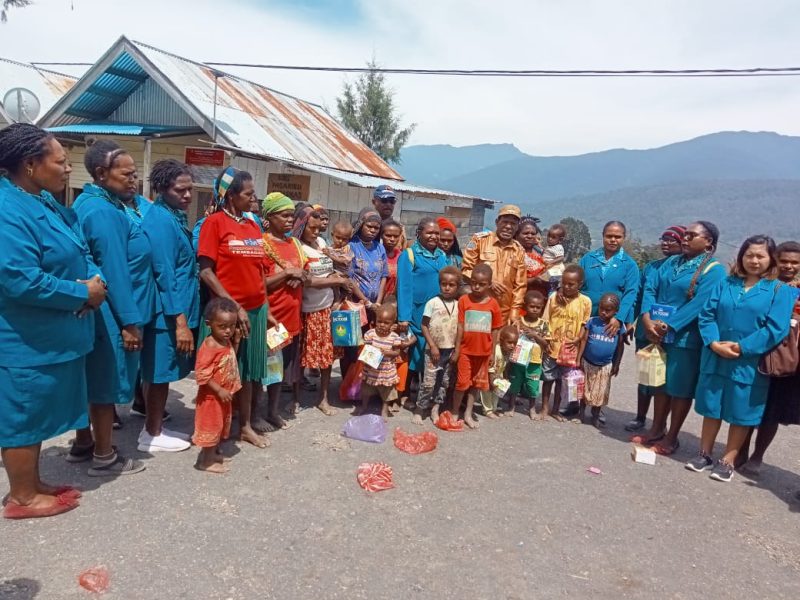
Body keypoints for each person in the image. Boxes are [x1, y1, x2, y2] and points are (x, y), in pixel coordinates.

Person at [0, 124, 105, 519]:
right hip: (25, 340)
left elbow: (80, 250)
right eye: (61, 161)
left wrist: (96, 283)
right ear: (30, 165)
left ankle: (33, 483)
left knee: (38, 413)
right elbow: (18, 278)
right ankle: (21, 498)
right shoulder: (7, 209)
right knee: (23, 416)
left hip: (55, 336)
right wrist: (81, 294)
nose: (67, 169)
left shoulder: (42, 201)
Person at [70, 140, 159, 476]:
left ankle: (83, 443)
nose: (134, 180)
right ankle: (104, 455)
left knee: (92, 379)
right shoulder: (103, 212)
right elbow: (115, 272)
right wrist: (131, 322)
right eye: (127, 174)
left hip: (105, 307)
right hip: (111, 311)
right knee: (106, 382)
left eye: (135, 174)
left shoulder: (98, 203)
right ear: (101, 173)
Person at [686, 236, 794, 482]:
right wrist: (713, 342)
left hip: (748, 362)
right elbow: (707, 315)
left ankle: (728, 461)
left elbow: (775, 329)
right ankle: (704, 453)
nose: (754, 260)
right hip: (715, 355)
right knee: (712, 406)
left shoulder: (780, 290)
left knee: (741, 410)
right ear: (741, 257)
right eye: (749, 255)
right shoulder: (726, 283)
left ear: (771, 259)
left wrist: (741, 347)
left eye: (760, 256)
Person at [635, 222, 726, 456]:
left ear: (708, 243)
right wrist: (646, 318)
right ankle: (656, 428)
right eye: (685, 235)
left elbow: (701, 303)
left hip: (685, 338)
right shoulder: (670, 262)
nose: (685, 238)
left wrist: (670, 324)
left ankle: (672, 437)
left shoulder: (713, 270)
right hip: (657, 332)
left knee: (679, 389)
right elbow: (651, 289)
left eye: (692, 235)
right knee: (660, 383)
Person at [198, 167, 272, 449]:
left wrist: (264, 306)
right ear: (230, 196)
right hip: (228, 314)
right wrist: (235, 307)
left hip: (255, 309)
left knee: (250, 373)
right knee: (225, 372)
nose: (254, 199)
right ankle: (214, 429)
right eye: (248, 194)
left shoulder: (253, 225)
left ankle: (245, 426)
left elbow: (259, 271)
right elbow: (206, 272)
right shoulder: (214, 224)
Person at [139, 159, 198, 453]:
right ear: (162, 188)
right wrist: (180, 322)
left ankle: (153, 425)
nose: (187, 196)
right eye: (180, 190)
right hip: (168, 313)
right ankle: (152, 433)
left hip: (177, 308)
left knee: (159, 372)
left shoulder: (173, 216)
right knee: (160, 373)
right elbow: (165, 274)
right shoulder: (160, 221)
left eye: (190, 190)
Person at [739, 241, 800, 475]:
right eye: (784, 261)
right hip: (757, 352)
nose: (789, 266)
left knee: (772, 411)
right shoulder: (763, 285)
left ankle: (757, 456)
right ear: (775, 259)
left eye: (794, 262)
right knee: (748, 405)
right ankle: (740, 450)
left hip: (786, 360)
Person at [625, 225, 686, 431]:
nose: (666, 243)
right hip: (646, 328)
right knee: (645, 376)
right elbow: (640, 295)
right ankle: (640, 417)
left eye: (673, 240)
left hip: (669, 332)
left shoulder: (687, 272)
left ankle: (660, 422)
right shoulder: (651, 267)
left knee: (663, 379)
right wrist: (631, 322)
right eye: (664, 239)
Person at [294, 205, 351, 416]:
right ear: (302, 226)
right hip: (306, 309)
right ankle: (295, 398)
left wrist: (336, 292)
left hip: (326, 308)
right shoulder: (297, 247)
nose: (317, 233)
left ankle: (323, 398)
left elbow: (331, 270)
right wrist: (334, 280)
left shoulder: (321, 243)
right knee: (302, 357)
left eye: (319, 229)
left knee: (327, 358)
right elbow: (304, 281)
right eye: (312, 228)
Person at [262, 192, 308, 421]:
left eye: (292, 216)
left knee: (280, 370)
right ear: (269, 217)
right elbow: (258, 282)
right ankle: (259, 413)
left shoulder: (295, 244)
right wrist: (287, 274)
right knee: (268, 368)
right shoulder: (263, 244)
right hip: (271, 319)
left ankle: (272, 411)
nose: (290, 220)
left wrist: (299, 276)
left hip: (292, 318)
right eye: (284, 215)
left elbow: (306, 272)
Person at [192, 298, 242, 474]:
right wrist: (219, 389)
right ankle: (205, 462)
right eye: (222, 326)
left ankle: (212, 454)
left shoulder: (225, 341)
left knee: (219, 425)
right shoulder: (210, 345)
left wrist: (236, 342)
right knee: (210, 426)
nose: (228, 330)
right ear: (209, 324)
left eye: (231, 325)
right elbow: (202, 374)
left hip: (223, 395)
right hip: (211, 398)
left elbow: (229, 359)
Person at [452, 264, 504, 429]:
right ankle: (454, 412)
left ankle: (468, 413)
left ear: (489, 284)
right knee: (462, 384)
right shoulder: (464, 300)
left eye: (481, 284)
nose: (476, 286)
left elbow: (496, 329)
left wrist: (492, 352)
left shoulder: (493, 304)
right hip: (466, 351)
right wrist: (458, 348)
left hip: (484, 352)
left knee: (476, 384)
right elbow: (460, 325)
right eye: (474, 282)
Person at [538, 265, 592, 421]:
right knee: (548, 379)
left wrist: (578, 339)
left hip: (569, 350)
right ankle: (544, 408)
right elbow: (546, 319)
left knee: (561, 381)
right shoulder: (554, 297)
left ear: (580, 284)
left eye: (571, 284)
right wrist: (545, 341)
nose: (567, 287)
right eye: (564, 283)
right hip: (552, 346)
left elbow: (584, 324)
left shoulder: (585, 302)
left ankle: (556, 410)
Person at [397, 217, 448, 382]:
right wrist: (404, 317)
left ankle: (424, 390)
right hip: (417, 312)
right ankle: (405, 393)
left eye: (436, 233)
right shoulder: (410, 254)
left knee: (432, 350)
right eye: (429, 233)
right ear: (419, 233)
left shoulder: (442, 255)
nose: (434, 236)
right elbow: (403, 287)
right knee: (416, 349)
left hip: (438, 312)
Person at [462, 204, 527, 324]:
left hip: (504, 312)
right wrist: (488, 283)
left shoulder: (519, 251)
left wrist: (514, 312)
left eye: (513, 224)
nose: (508, 226)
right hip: (479, 306)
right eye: (505, 222)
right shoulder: (479, 240)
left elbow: (520, 286)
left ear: (517, 227)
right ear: (497, 222)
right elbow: (466, 270)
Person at [415, 266, 460, 424]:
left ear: (457, 286)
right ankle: (420, 410)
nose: (447, 287)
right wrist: (432, 345)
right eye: (444, 284)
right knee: (428, 382)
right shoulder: (433, 303)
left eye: (451, 285)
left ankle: (435, 409)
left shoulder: (458, 305)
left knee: (444, 382)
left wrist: (457, 349)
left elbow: (459, 329)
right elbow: (424, 325)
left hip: (450, 351)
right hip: (433, 351)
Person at [578, 221, 640, 338]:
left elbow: (630, 294)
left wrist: (619, 318)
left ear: (623, 238)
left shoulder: (630, 265)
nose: (613, 239)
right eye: (609, 236)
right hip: (583, 319)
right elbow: (575, 283)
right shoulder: (588, 259)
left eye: (617, 237)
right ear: (603, 236)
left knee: (605, 354)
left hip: (611, 324)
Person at [576, 293, 625, 428]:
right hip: (587, 361)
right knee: (584, 389)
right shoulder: (592, 321)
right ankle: (581, 413)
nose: (603, 312)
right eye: (601, 308)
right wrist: (579, 358)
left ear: (616, 311)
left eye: (608, 310)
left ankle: (595, 415)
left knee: (600, 392)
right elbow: (584, 340)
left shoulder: (618, 327)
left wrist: (617, 364)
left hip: (605, 365)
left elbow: (620, 347)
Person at [357, 304, 403, 420]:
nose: (382, 325)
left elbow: (397, 353)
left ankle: (384, 410)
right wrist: (365, 359)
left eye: (386, 323)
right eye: (379, 321)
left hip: (386, 370)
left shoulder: (394, 337)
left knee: (386, 393)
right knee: (366, 390)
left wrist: (387, 353)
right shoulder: (370, 334)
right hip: (371, 369)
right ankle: (364, 406)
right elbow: (366, 349)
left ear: (392, 324)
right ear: (375, 320)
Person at [516, 290, 550, 419]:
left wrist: (535, 335)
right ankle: (511, 406)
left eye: (538, 307)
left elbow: (546, 344)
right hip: (518, 358)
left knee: (533, 386)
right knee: (515, 383)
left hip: (535, 361)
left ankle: (531, 409)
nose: (535, 309)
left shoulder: (543, 325)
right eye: (532, 306)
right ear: (525, 306)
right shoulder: (519, 321)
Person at [480, 326, 519, 419]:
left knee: (496, 393)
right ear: (501, 341)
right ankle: (487, 410)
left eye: (515, 343)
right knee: (487, 392)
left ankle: (493, 408)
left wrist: (505, 377)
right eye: (509, 342)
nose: (512, 346)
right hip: (489, 375)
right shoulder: (496, 351)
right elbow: (490, 367)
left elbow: (505, 366)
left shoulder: (507, 352)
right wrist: (491, 378)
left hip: (498, 375)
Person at [516, 216, 548, 296]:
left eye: (533, 234)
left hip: (541, 299)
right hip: (521, 299)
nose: (530, 236)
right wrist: (534, 280)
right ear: (516, 235)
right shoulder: (513, 253)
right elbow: (510, 280)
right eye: (526, 233)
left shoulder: (541, 253)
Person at [540, 223, 567, 293]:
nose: (549, 239)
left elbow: (561, 258)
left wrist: (551, 262)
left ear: (560, 240)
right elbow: (546, 252)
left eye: (553, 237)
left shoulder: (558, 247)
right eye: (549, 236)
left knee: (553, 283)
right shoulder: (551, 246)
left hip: (555, 268)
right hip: (550, 268)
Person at [382, 218, 403, 301]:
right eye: (388, 235)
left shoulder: (401, 256)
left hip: (393, 301)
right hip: (375, 301)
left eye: (396, 236)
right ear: (381, 235)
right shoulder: (376, 254)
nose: (392, 239)